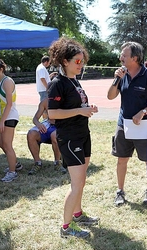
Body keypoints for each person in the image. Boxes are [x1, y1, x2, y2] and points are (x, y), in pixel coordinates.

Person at [47, 37, 99, 238]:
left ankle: (77, 214)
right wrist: (80, 110)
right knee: (76, 184)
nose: (81, 64)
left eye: (82, 60)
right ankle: (66, 228)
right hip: (70, 138)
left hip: (82, 135)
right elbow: (52, 114)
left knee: (81, 181)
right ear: (64, 61)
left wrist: (87, 109)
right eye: (77, 61)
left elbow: (76, 107)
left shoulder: (74, 81)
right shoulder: (57, 84)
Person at [107, 41, 147, 206]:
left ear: (135, 58)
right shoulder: (121, 75)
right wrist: (116, 79)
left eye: (124, 55)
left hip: (144, 127)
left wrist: (143, 112)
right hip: (123, 125)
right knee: (121, 159)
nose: (121, 58)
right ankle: (120, 191)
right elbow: (110, 96)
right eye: (121, 54)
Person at [26, 98, 67, 175]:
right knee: (31, 134)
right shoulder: (45, 102)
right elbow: (35, 119)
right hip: (48, 125)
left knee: (55, 135)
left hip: (61, 126)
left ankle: (57, 162)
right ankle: (37, 162)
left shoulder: (66, 99)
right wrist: (39, 124)